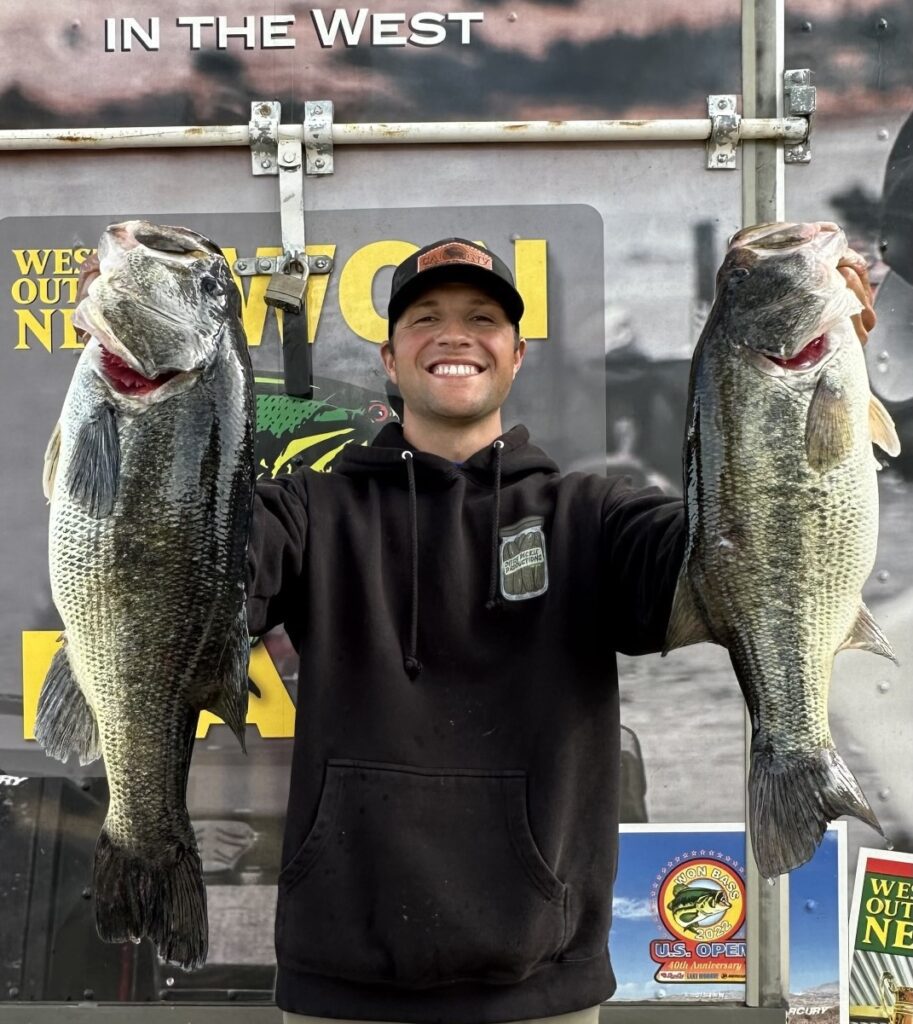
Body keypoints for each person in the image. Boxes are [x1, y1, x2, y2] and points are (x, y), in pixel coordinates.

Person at [247, 235, 875, 1024]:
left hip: (543, 988)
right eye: (425, 318)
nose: (454, 335)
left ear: (515, 357)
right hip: (338, 986)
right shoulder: (306, 512)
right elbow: (189, 571)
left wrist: (809, 387)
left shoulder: (593, 515)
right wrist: (137, 396)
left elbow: (730, 552)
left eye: (482, 319)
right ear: (389, 358)